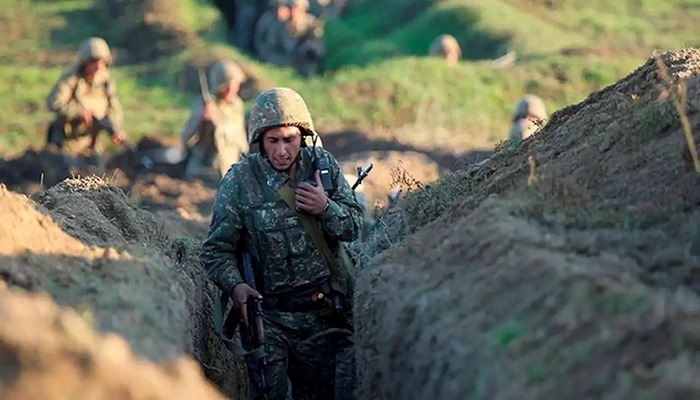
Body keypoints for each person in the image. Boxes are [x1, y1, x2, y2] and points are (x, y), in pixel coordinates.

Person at [200, 87, 363, 400]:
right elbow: (216, 251)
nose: (282, 150)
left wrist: (326, 207)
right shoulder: (240, 181)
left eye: (289, 139)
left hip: (322, 317)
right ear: (259, 140)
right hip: (268, 319)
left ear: (303, 136)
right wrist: (236, 287)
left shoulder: (322, 168)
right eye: (273, 141)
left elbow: (355, 227)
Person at [45, 37, 127, 152]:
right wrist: (79, 113)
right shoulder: (71, 79)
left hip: (91, 143)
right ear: (85, 62)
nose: (98, 68)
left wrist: (115, 129)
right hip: (66, 142)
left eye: (102, 63)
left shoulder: (106, 83)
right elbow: (53, 102)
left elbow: (114, 109)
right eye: (94, 62)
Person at [180, 60, 248, 179]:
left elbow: (241, 141)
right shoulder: (202, 105)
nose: (234, 90)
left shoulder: (237, 105)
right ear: (221, 86)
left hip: (229, 173)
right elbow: (187, 139)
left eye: (236, 85)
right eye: (230, 86)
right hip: (204, 174)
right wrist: (202, 121)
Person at [254, 0, 292, 66]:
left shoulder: (291, 25)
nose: (280, 12)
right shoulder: (267, 19)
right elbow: (259, 38)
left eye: (283, 9)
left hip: (283, 54)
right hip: (267, 52)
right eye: (278, 8)